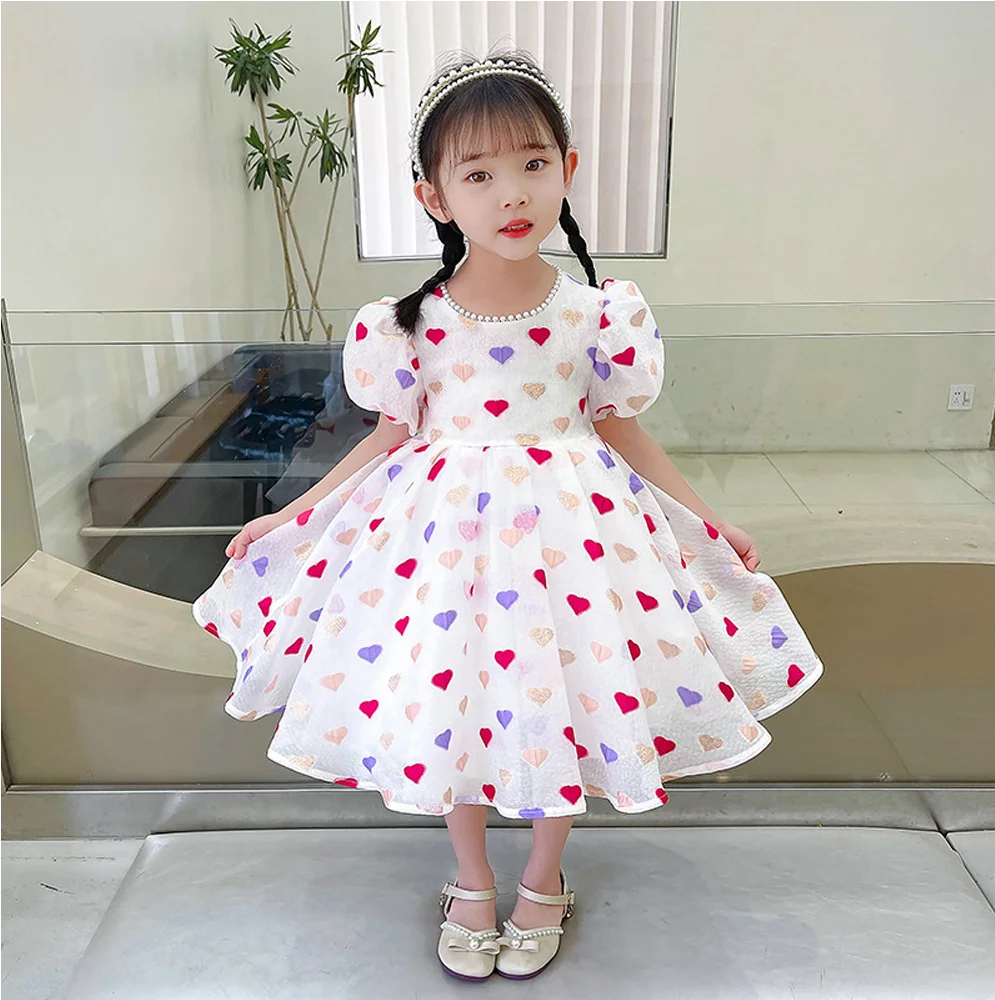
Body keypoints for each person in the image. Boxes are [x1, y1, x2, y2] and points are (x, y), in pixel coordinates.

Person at [192, 47, 825, 982]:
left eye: (532, 163)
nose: (512, 193)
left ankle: (543, 877)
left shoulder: (596, 313)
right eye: (478, 174)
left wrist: (706, 519)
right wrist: (296, 518)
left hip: (575, 537)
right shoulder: (406, 324)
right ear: (436, 197)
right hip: (441, 543)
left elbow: (620, 430)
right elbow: (387, 437)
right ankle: (472, 878)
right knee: (449, 697)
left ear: (568, 169)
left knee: (566, 695)